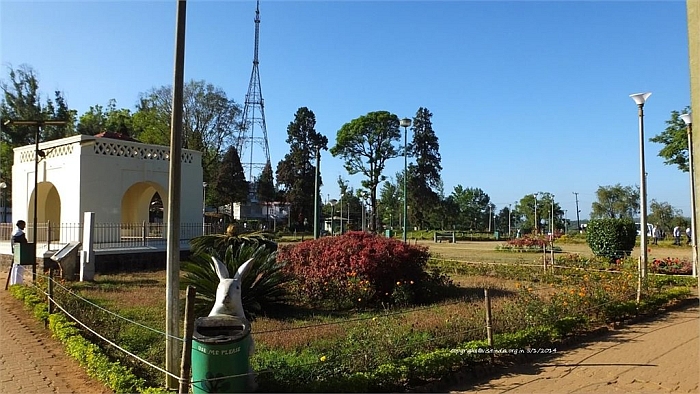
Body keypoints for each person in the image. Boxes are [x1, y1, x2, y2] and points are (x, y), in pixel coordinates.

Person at [9, 220, 28, 286]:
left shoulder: (14, 232)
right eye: (23, 225)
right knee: (19, 269)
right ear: (20, 225)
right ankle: (18, 283)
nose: (24, 227)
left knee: (15, 267)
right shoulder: (20, 234)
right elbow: (24, 243)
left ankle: (13, 283)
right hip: (21, 252)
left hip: (15, 252)